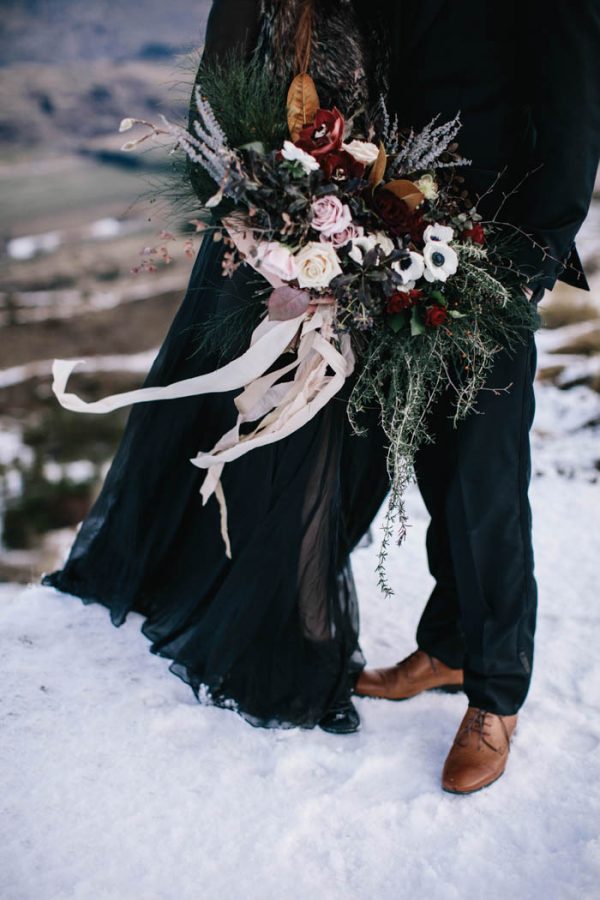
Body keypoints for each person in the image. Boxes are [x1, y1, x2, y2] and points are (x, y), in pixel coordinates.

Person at [40, 0, 393, 735]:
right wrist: (268, 228)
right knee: (254, 425)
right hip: (262, 244)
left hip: (359, 250)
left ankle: (261, 603)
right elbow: (216, 102)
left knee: (314, 440)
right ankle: (243, 613)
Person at [355, 0, 600, 793]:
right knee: (434, 462)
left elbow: (574, 108)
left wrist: (528, 268)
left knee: (486, 480)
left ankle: (497, 694)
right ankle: (452, 643)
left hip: (496, 250)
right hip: (397, 241)